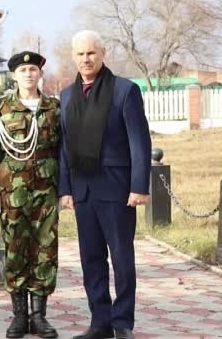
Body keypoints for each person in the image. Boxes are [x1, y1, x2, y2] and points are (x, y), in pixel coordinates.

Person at [59, 30, 151, 339]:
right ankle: (99, 322)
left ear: (103, 53)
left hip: (117, 189)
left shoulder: (125, 91)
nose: (86, 59)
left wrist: (139, 186)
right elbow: (64, 146)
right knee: (91, 259)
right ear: (73, 57)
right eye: (80, 54)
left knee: (122, 258)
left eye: (91, 53)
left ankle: (122, 322)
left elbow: (140, 142)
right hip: (83, 190)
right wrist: (66, 188)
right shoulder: (67, 95)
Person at [0, 51, 59, 338]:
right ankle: (19, 315)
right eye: (23, 70)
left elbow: (62, 150)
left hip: (47, 187)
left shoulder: (53, 107)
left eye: (33, 69)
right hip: (12, 188)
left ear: (40, 74)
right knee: (16, 248)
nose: (29, 74)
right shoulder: (2, 107)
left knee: (45, 248)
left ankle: (39, 316)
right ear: (14, 75)